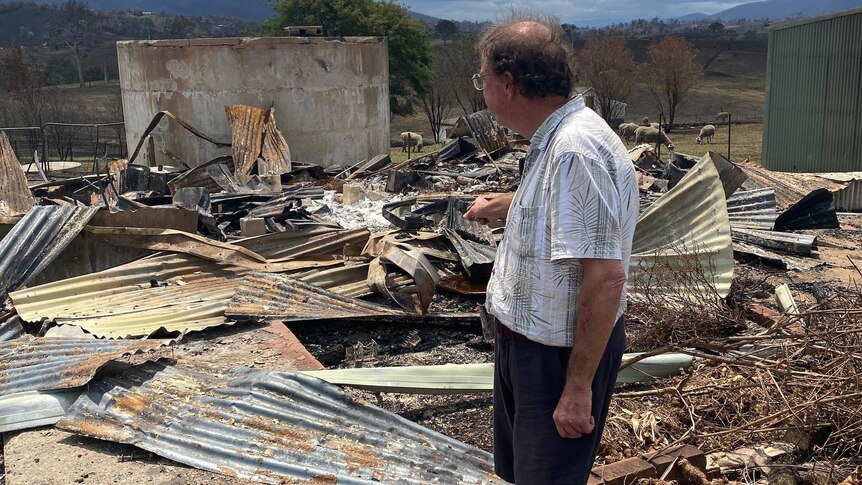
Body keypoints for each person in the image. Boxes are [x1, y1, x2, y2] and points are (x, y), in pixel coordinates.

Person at [464, 17, 639, 485]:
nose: (482, 91)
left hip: (556, 361)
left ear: (508, 83)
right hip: (528, 350)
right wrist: (502, 205)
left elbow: (606, 278)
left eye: (482, 79)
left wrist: (577, 387)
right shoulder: (556, 139)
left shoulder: (573, 151)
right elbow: (557, 208)